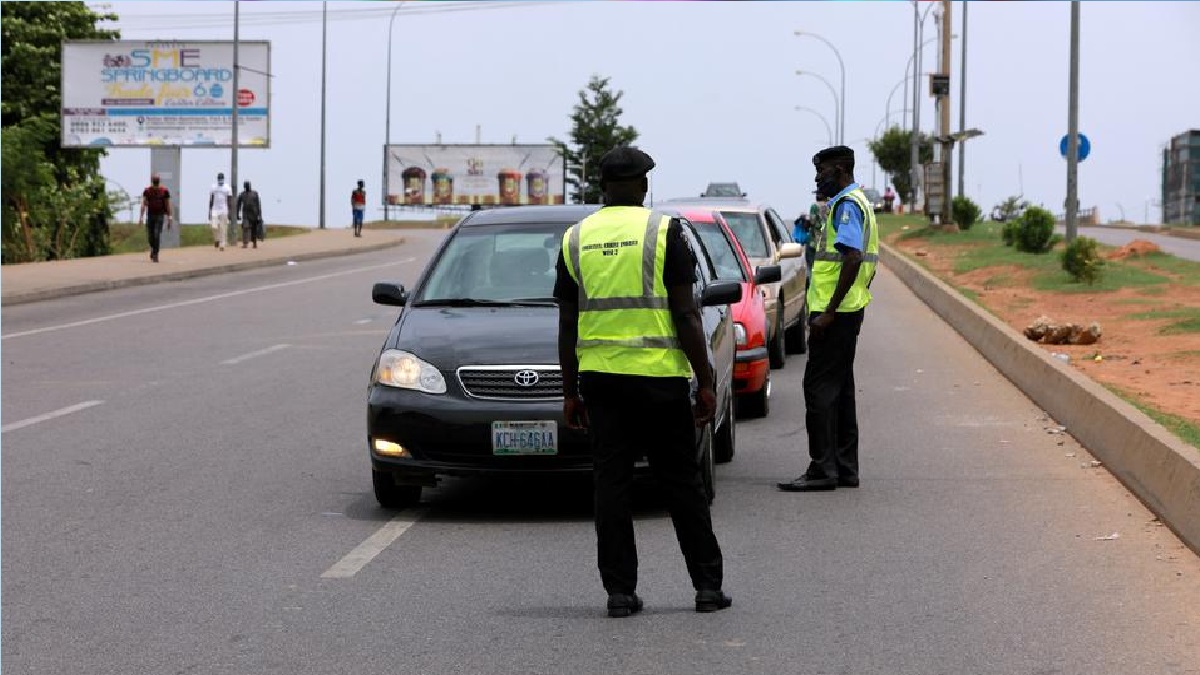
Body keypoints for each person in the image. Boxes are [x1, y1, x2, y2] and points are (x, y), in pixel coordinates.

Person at [554, 145, 732, 618]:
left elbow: (567, 324)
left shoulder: (575, 239)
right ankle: (707, 588)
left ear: (603, 187)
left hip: (602, 384)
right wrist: (706, 379)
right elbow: (687, 314)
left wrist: (569, 391)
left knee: (611, 487)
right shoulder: (663, 231)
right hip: (659, 382)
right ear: (643, 186)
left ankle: (619, 593)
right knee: (682, 485)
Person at [778, 145, 879, 493]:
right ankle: (845, 467)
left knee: (818, 389)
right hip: (849, 308)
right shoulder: (857, 201)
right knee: (841, 389)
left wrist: (830, 310)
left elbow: (852, 257)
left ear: (840, 169)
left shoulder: (847, 206)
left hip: (836, 313)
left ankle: (823, 468)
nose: (817, 178)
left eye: (821, 171)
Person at [138, 173, 172, 263]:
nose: (155, 181)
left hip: (159, 216)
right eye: (154, 180)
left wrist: (170, 217)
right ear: (152, 181)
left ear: (159, 181)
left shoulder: (164, 191)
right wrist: (141, 217)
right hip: (150, 216)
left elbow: (167, 205)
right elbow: (144, 204)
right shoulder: (147, 191)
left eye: (157, 180)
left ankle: (156, 254)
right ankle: (153, 249)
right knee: (150, 236)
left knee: (156, 234)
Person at [208, 172, 233, 251]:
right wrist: (209, 211)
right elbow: (211, 199)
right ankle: (217, 240)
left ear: (223, 179)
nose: (220, 180)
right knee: (214, 226)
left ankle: (222, 244)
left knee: (223, 227)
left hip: (224, 209)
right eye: (219, 179)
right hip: (215, 209)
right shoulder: (213, 187)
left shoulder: (227, 188)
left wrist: (230, 211)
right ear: (217, 179)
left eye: (221, 178)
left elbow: (229, 200)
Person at [237, 180, 264, 249]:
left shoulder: (255, 193)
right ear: (244, 187)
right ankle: (245, 243)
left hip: (254, 213)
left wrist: (259, 215)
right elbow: (238, 205)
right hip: (245, 213)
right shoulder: (242, 194)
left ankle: (254, 243)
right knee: (245, 228)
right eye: (246, 185)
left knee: (254, 229)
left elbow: (258, 204)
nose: (248, 186)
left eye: (248, 185)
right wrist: (237, 214)